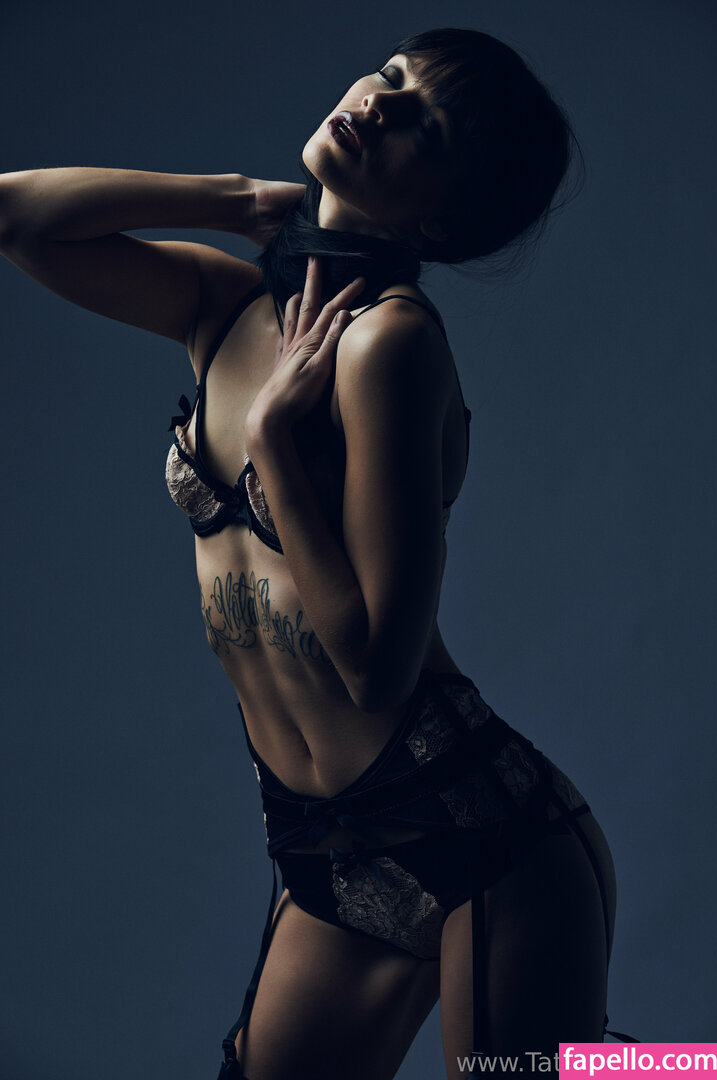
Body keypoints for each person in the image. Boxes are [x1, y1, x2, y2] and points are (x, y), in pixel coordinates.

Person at [0, 27, 636, 1080]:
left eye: (424, 121)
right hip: (326, 843)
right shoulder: (224, 308)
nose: (379, 103)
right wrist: (235, 202)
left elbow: (376, 667)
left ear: (439, 216)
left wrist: (273, 452)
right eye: (389, 76)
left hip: (480, 833)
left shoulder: (390, 342)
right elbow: (18, 215)